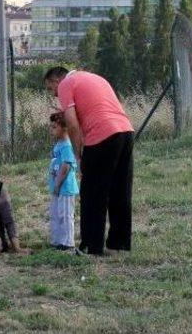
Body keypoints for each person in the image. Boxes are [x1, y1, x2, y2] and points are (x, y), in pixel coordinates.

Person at [44, 66, 134, 256]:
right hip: (125, 131)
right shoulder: (94, 77)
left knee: (93, 192)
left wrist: (79, 154)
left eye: (51, 89)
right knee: (120, 190)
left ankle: (91, 247)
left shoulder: (65, 84)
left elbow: (73, 124)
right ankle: (119, 244)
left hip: (101, 136)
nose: (54, 95)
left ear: (55, 81)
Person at [47, 112, 79, 251]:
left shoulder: (67, 145)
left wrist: (58, 184)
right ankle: (57, 240)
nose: (51, 130)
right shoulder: (59, 145)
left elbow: (65, 167)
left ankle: (67, 243)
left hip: (65, 188)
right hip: (57, 188)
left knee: (65, 215)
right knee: (56, 213)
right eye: (51, 127)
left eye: (55, 127)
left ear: (65, 128)